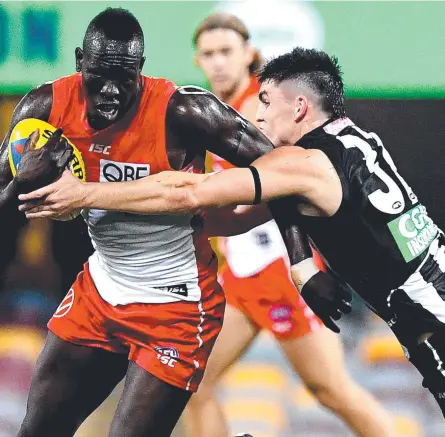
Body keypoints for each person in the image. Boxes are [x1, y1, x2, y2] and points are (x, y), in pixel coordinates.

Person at [24, 46, 445, 420]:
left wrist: (83, 193)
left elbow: (188, 192)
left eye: (265, 102)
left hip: (433, 313)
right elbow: (235, 216)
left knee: (330, 388)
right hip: (426, 303)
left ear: (299, 107)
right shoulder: (355, 139)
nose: (256, 116)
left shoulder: (302, 164)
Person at [4, 8, 344, 437]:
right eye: (99, 77)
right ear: (78, 63)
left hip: (176, 305)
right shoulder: (43, 109)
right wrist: (20, 186)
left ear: (141, 71)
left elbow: (283, 172)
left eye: (125, 79)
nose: (110, 92)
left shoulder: (185, 112)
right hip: (99, 292)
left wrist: (302, 264)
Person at [184, 12, 395, 437]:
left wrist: (305, 269)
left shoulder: (262, 113)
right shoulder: (209, 112)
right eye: (209, 54)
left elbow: (287, 193)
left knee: (330, 389)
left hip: (283, 277)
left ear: (249, 55)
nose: (219, 62)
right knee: (194, 383)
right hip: (240, 282)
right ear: (198, 61)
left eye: (227, 51)